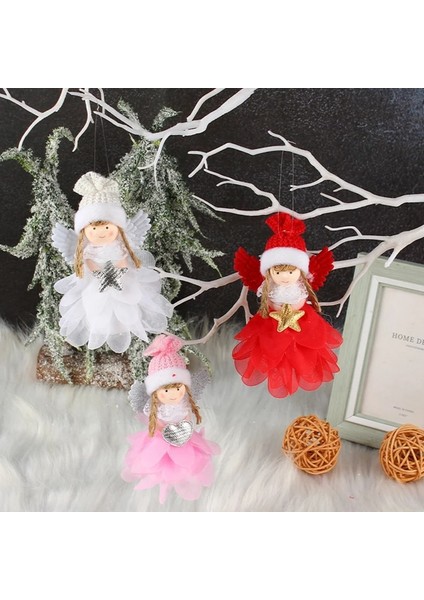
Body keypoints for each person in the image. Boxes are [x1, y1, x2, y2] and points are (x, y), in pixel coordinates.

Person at [52, 172, 173, 353]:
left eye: (107, 227)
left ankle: (123, 324)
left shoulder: (121, 246)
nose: (101, 232)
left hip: (123, 280)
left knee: (128, 301)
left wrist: (120, 270)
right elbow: (89, 263)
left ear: (118, 227)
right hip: (97, 283)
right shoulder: (87, 250)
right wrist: (98, 273)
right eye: (94, 228)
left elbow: (123, 259)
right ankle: (105, 327)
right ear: (84, 230)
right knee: (98, 306)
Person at [232, 213, 343, 399]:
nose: (284, 277)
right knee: (271, 352)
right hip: (271, 325)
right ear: (269, 271)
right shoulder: (266, 287)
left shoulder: (303, 285)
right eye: (278, 272)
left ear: (300, 270)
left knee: (306, 351)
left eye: (291, 271)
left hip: (303, 322)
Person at [122, 335, 220, 504]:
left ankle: (185, 480)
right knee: (155, 460)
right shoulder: (156, 408)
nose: (174, 394)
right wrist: (163, 432)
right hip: (161, 438)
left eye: (178, 387)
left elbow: (187, 416)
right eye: (166, 390)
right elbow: (157, 422)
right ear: (156, 391)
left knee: (189, 460)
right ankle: (162, 482)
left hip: (183, 435)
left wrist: (185, 426)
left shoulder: (184, 403)